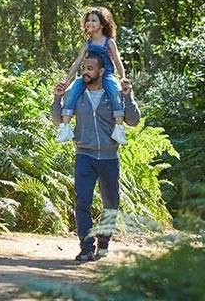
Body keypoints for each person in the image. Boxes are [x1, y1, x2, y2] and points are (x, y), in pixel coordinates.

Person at [51, 53, 140, 261]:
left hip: (109, 158)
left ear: (101, 71)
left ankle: (104, 242)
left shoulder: (113, 95)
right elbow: (57, 119)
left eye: (90, 68)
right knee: (82, 202)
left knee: (111, 204)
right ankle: (86, 248)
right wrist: (57, 98)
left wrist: (128, 96)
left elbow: (133, 121)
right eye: (83, 68)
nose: (85, 72)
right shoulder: (77, 95)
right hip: (84, 156)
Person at [56, 7, 130, 145]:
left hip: (106, 74)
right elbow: (77, 62)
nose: (89, 23)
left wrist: (122, 77)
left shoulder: (109, 42)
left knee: (115, 92)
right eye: (88, 20)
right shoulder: (87, 44)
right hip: (88, 75)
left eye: (94, 20)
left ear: (102, 24)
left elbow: (117, 60)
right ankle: (65, 127)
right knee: (71, 92)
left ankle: (119, 128)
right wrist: (67, 80)